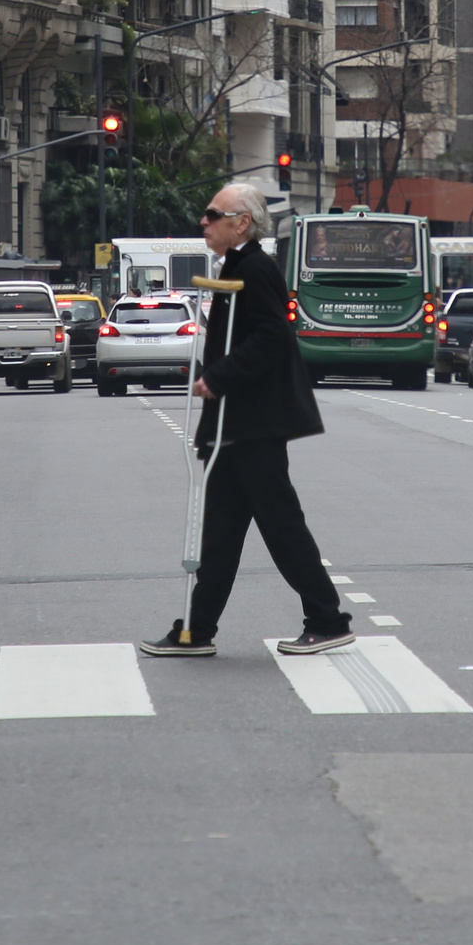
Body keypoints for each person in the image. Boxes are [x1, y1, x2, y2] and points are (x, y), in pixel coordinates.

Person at [139, 180, 353, 659]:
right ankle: (195, 630)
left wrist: (219, 377)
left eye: (214, 214)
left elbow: (274, 337)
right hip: (234, 427)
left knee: (282, 527)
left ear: (241, 223)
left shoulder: (254, 268)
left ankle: (327, 619)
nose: (204, 221)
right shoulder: (237, 265)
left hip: (253, 425)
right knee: (220, 535)